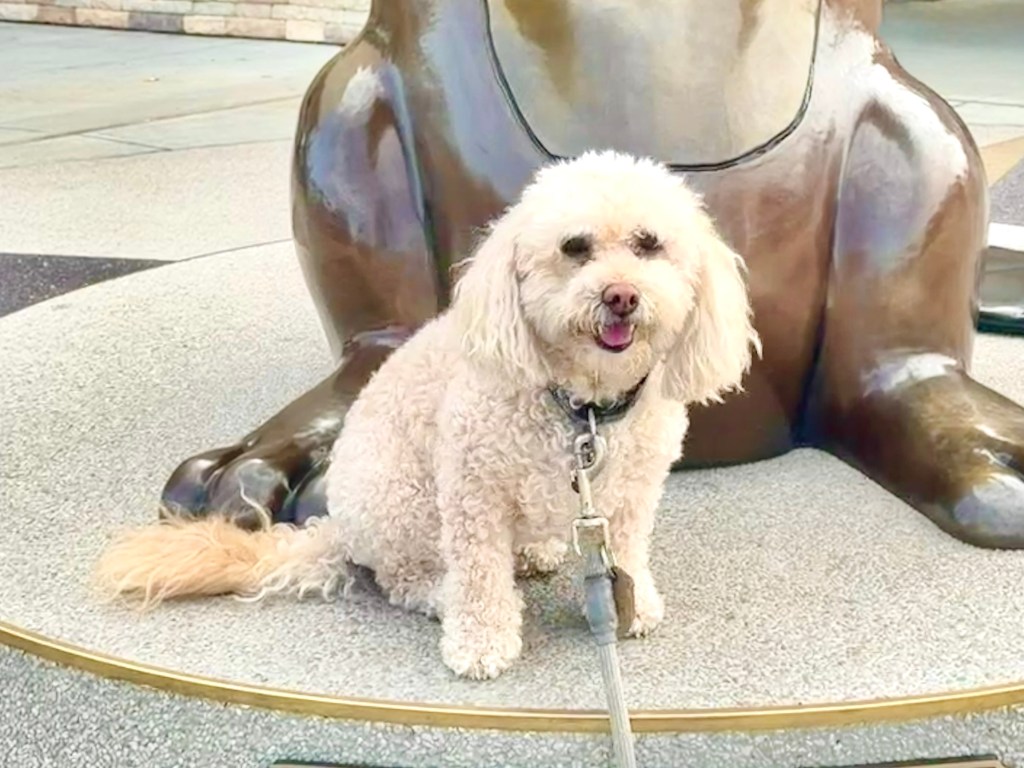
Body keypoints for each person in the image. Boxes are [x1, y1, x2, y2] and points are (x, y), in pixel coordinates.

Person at [161, 0, 1024, 548]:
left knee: (902, 134)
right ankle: (387, 360)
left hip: (813, 118)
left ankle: (897, 369)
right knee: (360, 108)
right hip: (456, 99)